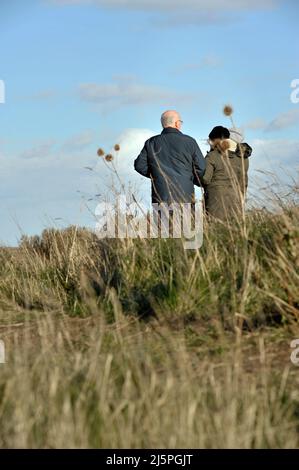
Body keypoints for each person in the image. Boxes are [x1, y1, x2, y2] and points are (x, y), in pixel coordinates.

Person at [134, 110, 205, 205]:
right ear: (176, 123)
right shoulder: (190, 142)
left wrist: (156, 175)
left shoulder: (151, 143)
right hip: (185, 195)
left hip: (160, 196)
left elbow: (139, 165)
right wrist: (192, 179)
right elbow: (201, 167)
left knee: (162, 220)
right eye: (180, 122)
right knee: (186, 220)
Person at [202, 126, 252, 221]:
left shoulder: (212, 156)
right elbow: (244, 182)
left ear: (215, 140)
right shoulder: (244, 157)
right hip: (236, 201)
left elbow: (205, 179)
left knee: (215, 233)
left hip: (215, 203)